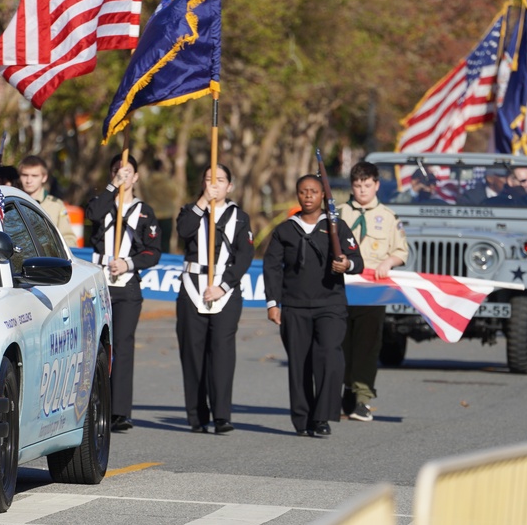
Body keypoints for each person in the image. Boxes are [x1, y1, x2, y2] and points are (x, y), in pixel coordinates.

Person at [263, 175, 363, 437]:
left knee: (330, 357)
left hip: (330, 304)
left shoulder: (335, 226)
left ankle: (322, 417)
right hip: (295, 306)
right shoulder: (285, 230)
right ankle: (303, 419)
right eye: (303, 191)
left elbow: (357, 261)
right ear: (298, 195)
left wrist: (346, 265)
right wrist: (273, 303)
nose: (308, 196)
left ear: (322, 196)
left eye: (314, 191)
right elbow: (272, 267)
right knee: (300, 364)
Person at [85, 154, 163, 431]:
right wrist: (111, 187)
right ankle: (92, 405)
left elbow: (153, 252)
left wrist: (128, 262)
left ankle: (119, 411)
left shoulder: (144, 211)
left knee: (122, 345)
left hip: (127, 285)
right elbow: (92, 215)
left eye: (128, 171)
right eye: (118, 170)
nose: (123, 175)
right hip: (99, 281)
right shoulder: (103, 203)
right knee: (95, 346)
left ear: (137, 177)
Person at [175, 164, 254, 434]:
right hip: (192, 286)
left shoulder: (239, 217)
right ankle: (197, 415)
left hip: (225, 290)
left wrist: (223, 285)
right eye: (209, 179)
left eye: (220, 180)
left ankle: (222, 415)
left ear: (229, 186)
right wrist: (201, 202)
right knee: (192, 352)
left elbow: (245, 257)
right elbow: (184, 232)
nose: (214, 184)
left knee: (221, 351)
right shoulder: (190, 211)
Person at [337, 161, 408, 422]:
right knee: (339, 343)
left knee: (367, 345)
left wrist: (389, 262)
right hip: (341, 289)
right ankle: (343, 389)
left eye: (367, 185)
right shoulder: (340, 213)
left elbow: (401, 251)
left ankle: (363, 399)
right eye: (357, 185)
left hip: (373, 292)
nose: (362, 191)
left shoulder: (389, 218)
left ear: (376, 185)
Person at [18, 155, 79, 248]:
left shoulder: (55, 205)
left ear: (44, 177)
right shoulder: (12, 200)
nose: (29, 180)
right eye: (25, 175)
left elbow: (70, 240)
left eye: (34, 176)